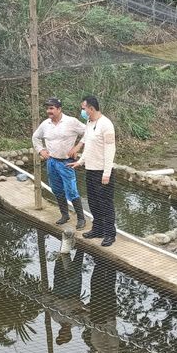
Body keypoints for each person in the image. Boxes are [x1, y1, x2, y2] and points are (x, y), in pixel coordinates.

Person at [32, 97, 87, 229]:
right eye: (47, 108)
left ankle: (81, 218)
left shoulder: (71, 122)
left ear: (59, 109)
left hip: (66, 162)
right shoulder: (45, 124)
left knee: (71, 190)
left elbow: (89, 132)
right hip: (51, 161)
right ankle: (65, 215)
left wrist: (77, 147)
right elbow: (35, 137)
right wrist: (41, 150)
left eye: (51, 108)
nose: (48, 111)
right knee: (56, 189)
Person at [69, 96, 116, 247]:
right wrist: (80, 162)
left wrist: (107, 173)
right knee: (94, 202)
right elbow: (88, 146)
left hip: (102, 171)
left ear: (91, 108)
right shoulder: (89, 123)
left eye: (83, 109)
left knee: (106, 204)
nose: (82, 111)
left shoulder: (106, 124)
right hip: (90, 169)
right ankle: (98, 229)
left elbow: (110, 150)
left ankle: (110, 234)